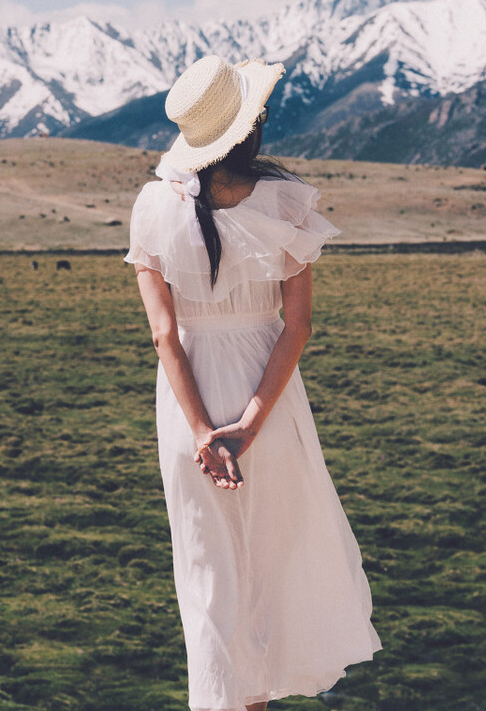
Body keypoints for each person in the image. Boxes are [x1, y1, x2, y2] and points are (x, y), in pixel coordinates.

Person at [124, 54, 383, 711]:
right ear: (251, 130)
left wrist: (204, 431)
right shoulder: (285, 199)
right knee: (272, 560)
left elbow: (163, 336)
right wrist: (248, 425)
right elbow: (297, 326)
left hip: (188, 402)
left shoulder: (154, 206)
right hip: (266, 391)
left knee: (209, 570)